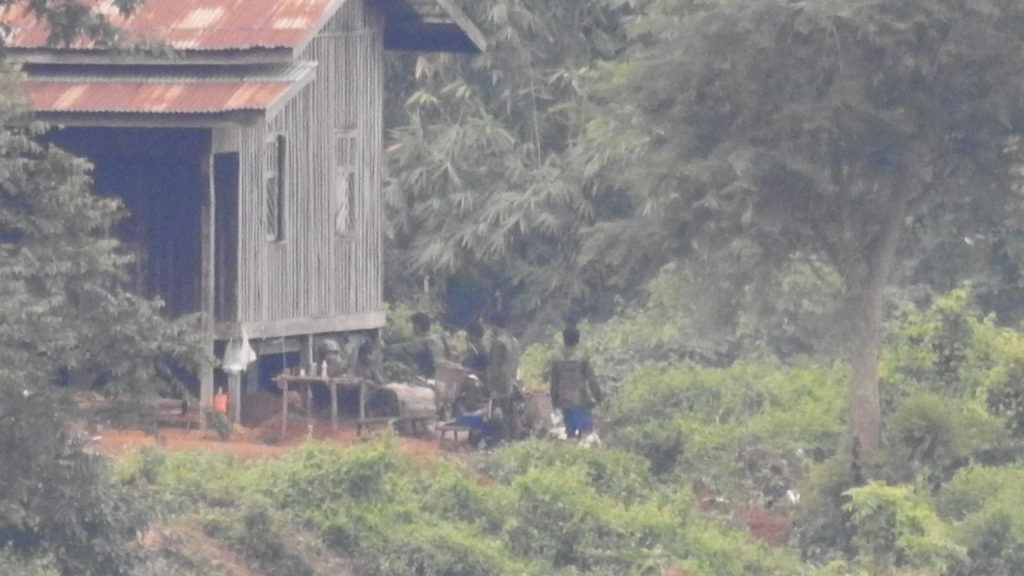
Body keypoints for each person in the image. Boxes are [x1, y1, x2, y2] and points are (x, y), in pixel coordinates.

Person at [547, 326, 603, 439]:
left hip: (564, 400)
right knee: (586, 433)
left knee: (570, 434)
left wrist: (554, 401)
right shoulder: (582, 358)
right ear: (578, 339)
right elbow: (592, 380)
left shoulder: (557, 358)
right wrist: (599, 397)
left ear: (564, 339)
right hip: (580, 400)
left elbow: (554, 383)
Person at [485, 310, 520, 441]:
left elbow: (494, 367)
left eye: (490, 326)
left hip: (501, 384)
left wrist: (492, 387)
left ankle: (501, 441)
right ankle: (513, 441)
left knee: (500, 416)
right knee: (512, 414)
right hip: (512, 383)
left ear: (494, 324)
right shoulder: (514, 340)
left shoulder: (498, 342)